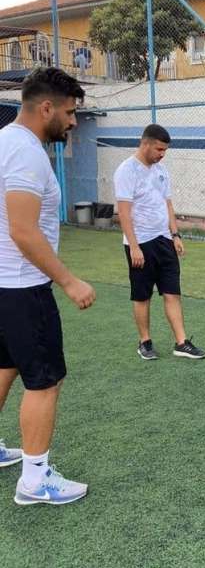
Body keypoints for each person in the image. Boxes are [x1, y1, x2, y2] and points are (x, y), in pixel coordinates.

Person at [0, 67, 95, 505]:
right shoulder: (26, 152)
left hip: (3, 285)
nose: (73, 121)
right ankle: (35, 479)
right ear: (45, 108)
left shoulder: (4, 142)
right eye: (70, 112)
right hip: (21, 288)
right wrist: (68, 280)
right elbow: (23, 230)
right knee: (44, 382)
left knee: (5, 367)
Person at [113, 124, 205, 360]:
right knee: (142, 295)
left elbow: (168, 204)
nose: (162, 154)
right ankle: (145, 342)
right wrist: (134, 246)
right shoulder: (126, 170)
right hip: (140, 243)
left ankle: (181, 343)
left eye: (165, 150)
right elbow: (124, 212)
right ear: (145, 144)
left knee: (172, 292)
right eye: (159, 149)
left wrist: (175, 235)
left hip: (164, 240)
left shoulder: (162, 170)